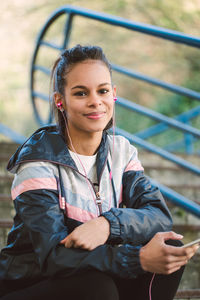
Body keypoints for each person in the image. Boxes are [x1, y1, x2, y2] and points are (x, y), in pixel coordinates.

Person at [0, 45, 198, 300]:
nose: (96, 101)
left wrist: (107, 225)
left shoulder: (121, 152)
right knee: (96, 287)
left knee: (169, 250)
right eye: (81, 93)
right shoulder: (38, 163)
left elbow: (158, 215)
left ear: (113, 94)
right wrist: (137, 259)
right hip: (32, 284)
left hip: (93, 276)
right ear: (60, 100)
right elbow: (53, 258)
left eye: (103, 90)